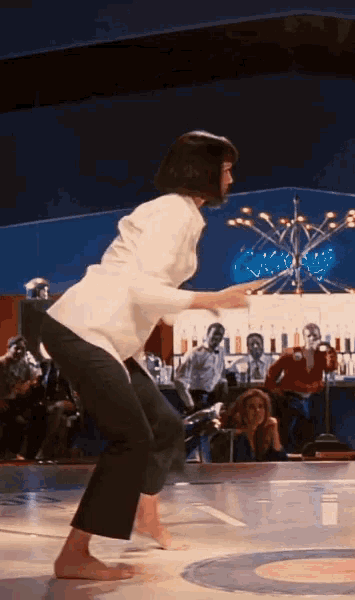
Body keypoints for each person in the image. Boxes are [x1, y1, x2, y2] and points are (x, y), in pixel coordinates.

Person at [39, 130, 265, 581]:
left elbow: (150, 295)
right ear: (204, 171)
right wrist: (214, 298)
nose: (231, 179)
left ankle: (147, 518)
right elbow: (140, 287)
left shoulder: (183, 215)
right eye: (225, 170)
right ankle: (75, 555)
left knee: (164, 426)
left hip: (110, 337)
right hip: (84, 328)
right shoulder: (172, 213)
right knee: (131, 438)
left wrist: (195, 307)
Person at [265, 323, 337, 453]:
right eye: (309, 336)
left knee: (308, 432)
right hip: (291, 398)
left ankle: (304, 456)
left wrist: (330, 350)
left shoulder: (321, 355)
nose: (312, 338)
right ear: (304, 337)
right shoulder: (292, 353)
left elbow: (331, 367)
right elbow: (272, 372)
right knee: (290, 432)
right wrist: (274, 390)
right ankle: (288, 455)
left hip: (311, 399)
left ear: (320, 337)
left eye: (315, 335)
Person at [174, 322, 228, 413]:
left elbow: (219, 374)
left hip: (214, 399)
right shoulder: (194, 353)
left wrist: (223, 383)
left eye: (220, 335)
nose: (217, 337)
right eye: (215, 333)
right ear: (207, 334)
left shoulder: (221, 351)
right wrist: (189, 404)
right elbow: (179, 380)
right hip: (197, 399)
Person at [225, 388, 287, 462]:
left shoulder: (264, 434)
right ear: (243, 411)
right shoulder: (236, 437)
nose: (257, 410)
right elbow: (243, 462)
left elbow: (282, 461)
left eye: (261, 406)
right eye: (251, 407)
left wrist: (274, 432)